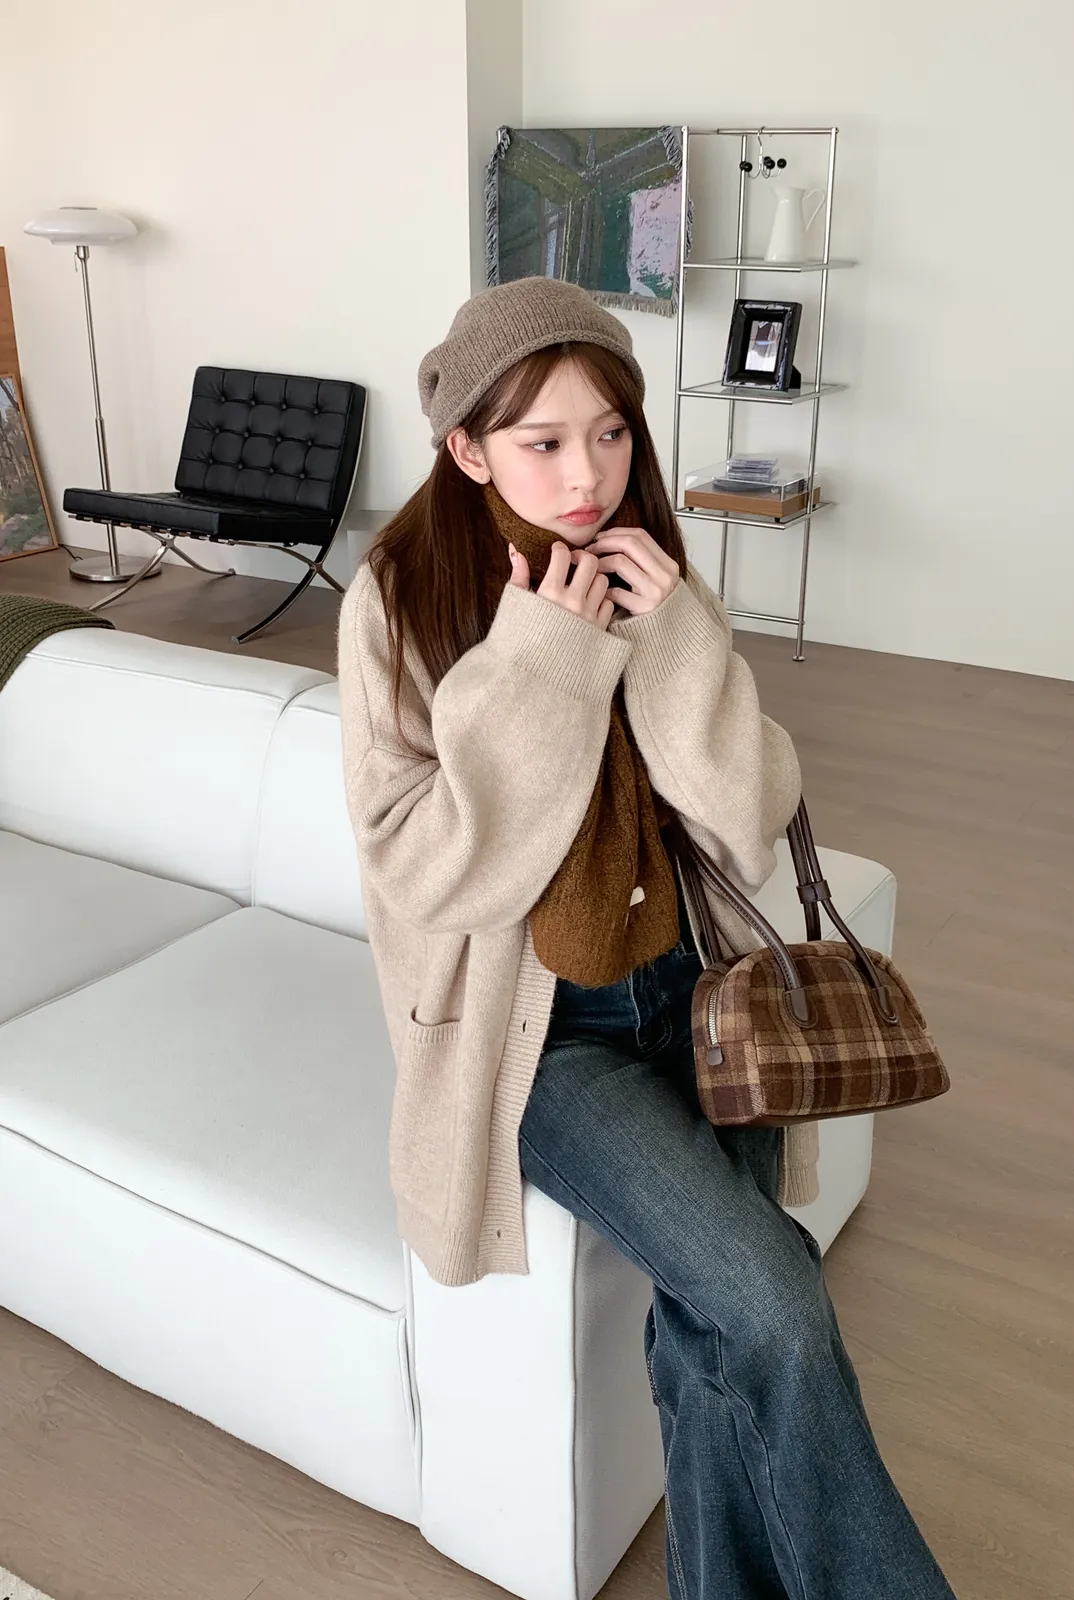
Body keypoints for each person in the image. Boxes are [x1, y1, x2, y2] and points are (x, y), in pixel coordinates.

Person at [338, 276, 956, 1600]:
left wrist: (674, 640)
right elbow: (426, 871)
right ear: (467, 448)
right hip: (544, 1045)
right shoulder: (399, 595)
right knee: (773, 1301)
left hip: (698, 990)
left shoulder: (650, 564)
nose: (588, 474)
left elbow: (749, 818)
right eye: (544, 441)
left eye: (612, 431)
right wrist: (542, 662)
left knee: (717, 1327)